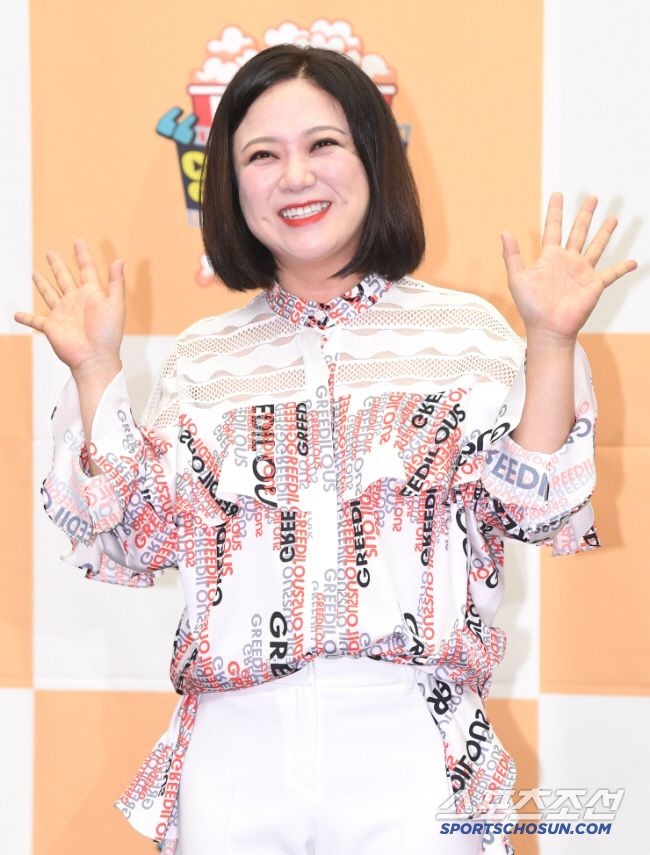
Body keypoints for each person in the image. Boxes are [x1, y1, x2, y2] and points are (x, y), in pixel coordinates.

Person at [16, 44, 636, 855]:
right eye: (261, 155)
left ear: (374, 158)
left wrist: (550, 342)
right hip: (234, 746)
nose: (295, 176)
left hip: (410, 738)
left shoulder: (465, 335)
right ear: (230, 186)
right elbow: (136, 540)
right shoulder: (203, 360)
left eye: (322, 144)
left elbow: (534, 507)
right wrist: (96, 369)